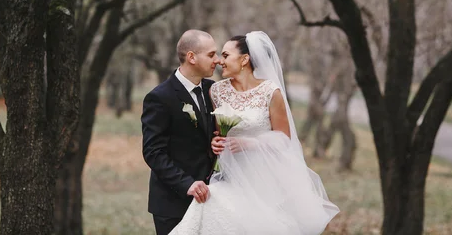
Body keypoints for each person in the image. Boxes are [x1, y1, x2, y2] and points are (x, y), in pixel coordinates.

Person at [169, 31, 340, 234]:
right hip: (230, 178)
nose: (219, 61)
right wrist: (216, 142)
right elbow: (217, 132)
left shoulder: (270, 92)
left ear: (244, 59)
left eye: (225, 55)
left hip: (266, 180)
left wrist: (250, 143)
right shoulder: (216, 91)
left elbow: (284, 139)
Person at [141, 29, 220, 235]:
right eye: (211, 55)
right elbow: (153, 152)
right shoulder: (159, 97)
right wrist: (187, 184)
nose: (217, 60)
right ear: (191, 57)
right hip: (173, 203)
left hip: (212, 199)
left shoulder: (213, 90)